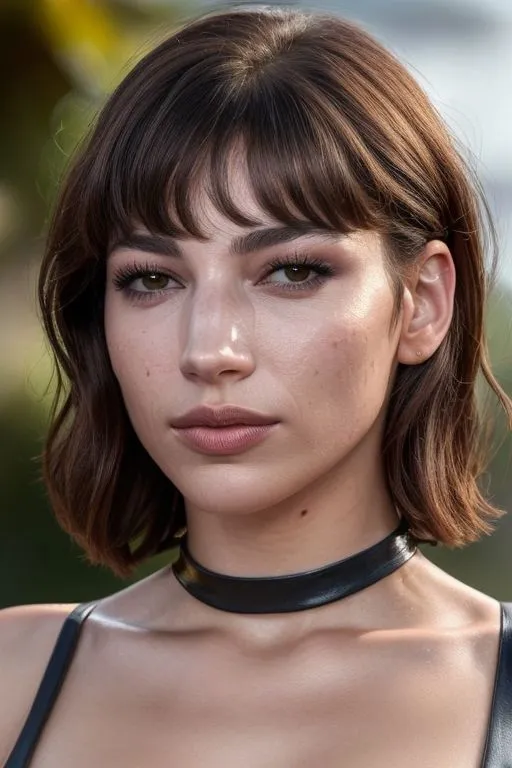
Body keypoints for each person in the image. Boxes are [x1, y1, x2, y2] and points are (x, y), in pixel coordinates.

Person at [1, 5, 511, 766]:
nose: (210, 350)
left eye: (292, 271)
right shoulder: (15, 676)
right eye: (150, 279)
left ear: (423, 303)